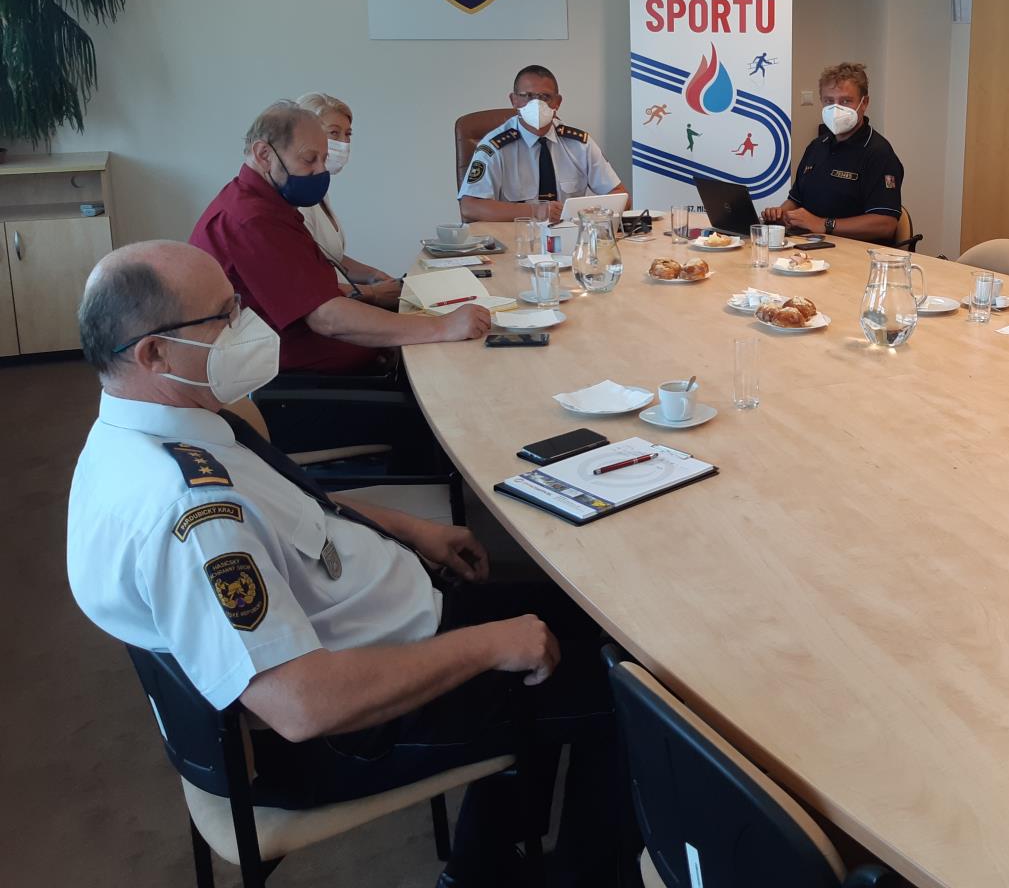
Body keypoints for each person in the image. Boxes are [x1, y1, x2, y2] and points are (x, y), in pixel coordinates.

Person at [67, 241, 613, 886]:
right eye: (224, 315)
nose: (248, 325)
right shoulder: (187, 511)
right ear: (154, 354)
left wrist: (412, 530)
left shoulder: (157, 428)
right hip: (351, 720)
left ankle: (485, 862)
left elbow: (292, 506)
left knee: (591, 617)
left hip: (382, 622)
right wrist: (490, 645)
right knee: (631, 690)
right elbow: (302, 706)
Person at [192, 102, 489, 374]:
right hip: (311, 384)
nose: (320, 171)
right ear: (264, 155)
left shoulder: (264, 203)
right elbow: (328, 318)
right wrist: (441, 327)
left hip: (338, 362)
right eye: (309, 159)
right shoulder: (251, 220)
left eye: (323, 160)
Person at [458, 65, 628, 222]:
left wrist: (584, 213)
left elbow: (621, 196)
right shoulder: (494, 147)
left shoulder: (580, 144)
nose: (537, 104)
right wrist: (534, 211)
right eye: (528, 96)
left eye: (545, 97)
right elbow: (470, 206)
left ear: (557, 102)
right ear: (514, 100)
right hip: (517, 237)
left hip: (569, 237)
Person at [762, 62, 904, 242]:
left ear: (864, 103)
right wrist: (781, 214)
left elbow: (885, 224)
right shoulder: (816, 146)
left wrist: (824, 224)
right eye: (829, 101)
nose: (836, 109)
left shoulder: (878, 153)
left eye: (845, 101)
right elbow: (795, 201)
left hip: (854, 253)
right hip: (807, 247)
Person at [294, 91, 403, 310]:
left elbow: (331, 257)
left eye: (348, 134)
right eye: (334, 133)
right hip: (332, 309)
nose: (344, 143)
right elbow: (307, 285)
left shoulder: (319, 190)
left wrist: (374, 275)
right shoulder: (298, 201)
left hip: (346, 300)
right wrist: (374, 293)